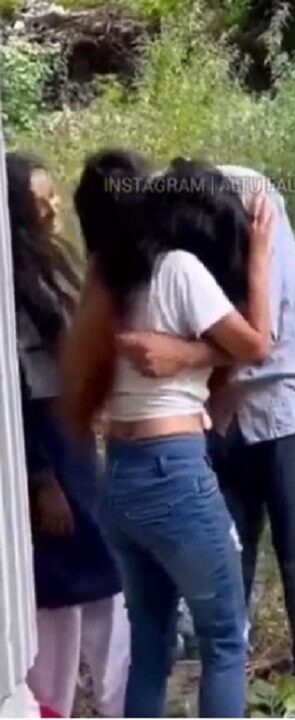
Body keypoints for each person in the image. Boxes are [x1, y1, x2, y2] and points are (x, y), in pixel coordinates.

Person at [116, 164, 295, 716]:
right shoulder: (170, 237)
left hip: (286, 417)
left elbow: (266, 338)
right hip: (211, 427)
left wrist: (187, 355)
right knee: (223, 606)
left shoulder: (256, 204)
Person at [60, 153, 276, 717]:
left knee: (151, 648)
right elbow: (255, 345)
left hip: (122, 477)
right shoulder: (177, 268)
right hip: (173, 471)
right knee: (226, 637)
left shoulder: (103, 281)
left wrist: (184, 355)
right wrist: (260, 254)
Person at [8, 153, 129, 717]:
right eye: (40, 200)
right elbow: (14, 394)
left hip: (74, 442)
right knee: (58, 593)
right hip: (45, 451)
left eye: (54, 195)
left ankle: (116, 702)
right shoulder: (12, 287)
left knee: (102, 580)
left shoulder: (52, 264)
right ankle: (49, 703)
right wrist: (39, 478)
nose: (54, 206)